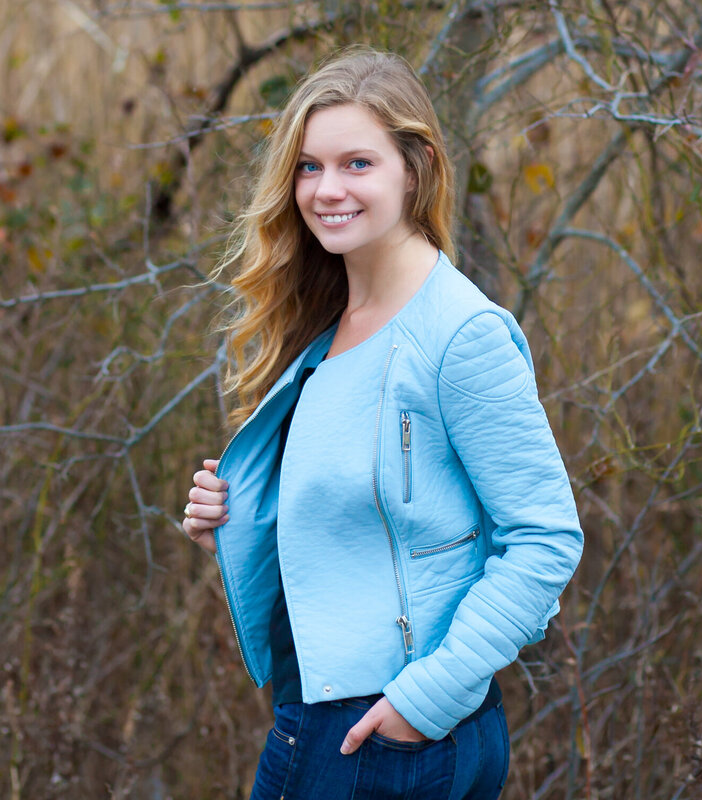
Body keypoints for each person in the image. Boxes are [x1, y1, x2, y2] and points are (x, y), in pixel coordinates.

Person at [181, 45, 582, 799]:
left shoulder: (459, 335)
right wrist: (234, 519)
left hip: (385, 734)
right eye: (308, 167)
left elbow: (545, 538)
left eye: (356, 164)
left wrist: (425, 701)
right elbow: (365, 530)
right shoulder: (327, 322)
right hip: (322, 714)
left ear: (417, 166)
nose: (326, 189)